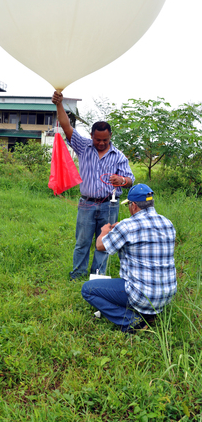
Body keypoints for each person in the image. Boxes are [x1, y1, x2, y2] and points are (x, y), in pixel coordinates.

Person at [52, 91, 134, 280]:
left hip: (109, 205)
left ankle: (97, 276)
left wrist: (121, 180)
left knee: (104, 241)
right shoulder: (83, 146)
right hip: (87, 203)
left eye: (105, 139)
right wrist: (59, 104)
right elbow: (65, 125)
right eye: (98, 139)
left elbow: (130, 180)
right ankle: (77, 274)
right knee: (82, 241)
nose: (101, 143)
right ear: (92, 136)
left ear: (110, 136)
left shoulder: (119, 156)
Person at [81, 184, 177, 333]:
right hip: (166, 295)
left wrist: (104, 231)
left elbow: (100, 246)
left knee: (88, 289)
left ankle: (132, 321)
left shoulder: (128, 226)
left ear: (133, 206)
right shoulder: (167, 223)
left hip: (141, 295)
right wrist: (122, 227)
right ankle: (149, 315)